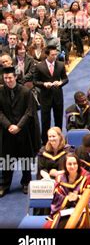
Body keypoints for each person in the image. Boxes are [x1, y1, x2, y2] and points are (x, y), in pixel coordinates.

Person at [0, 67, 41, 197]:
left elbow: (30, 112)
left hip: (23, 131)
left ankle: (25, 182)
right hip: (7, 132)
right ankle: (5, 185)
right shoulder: (0, 92)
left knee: (26, 159)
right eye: (5, 78)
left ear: (15, 77)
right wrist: (8, 126)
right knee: (7, 160)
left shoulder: (26, 91)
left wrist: (18, 126)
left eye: (10, 77)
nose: (8, 80)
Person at [33, 45, 68, 143]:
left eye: (55, 54)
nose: (55, 57)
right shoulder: (39, 66)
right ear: (47, 55)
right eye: (52, 55)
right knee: (45, 121)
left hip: (58, 96)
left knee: (58, 119)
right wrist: (44, 84)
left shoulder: (61, 65)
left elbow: (66, 79)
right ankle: (45, 141)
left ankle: (60, 140)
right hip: (45, 97)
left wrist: (61, 83)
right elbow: (35, 81)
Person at [44, 153, 89, 229]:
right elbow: (57, 198)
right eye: (69, 164)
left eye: (75, 164)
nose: (72, 166)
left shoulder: (86, 177)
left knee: (74, 223)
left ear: (78, 164)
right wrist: (67, 198)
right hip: (64, 210)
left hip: (81, 209)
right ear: (65, 165)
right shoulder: (60, 178)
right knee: (52, 225)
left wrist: (77, 197)